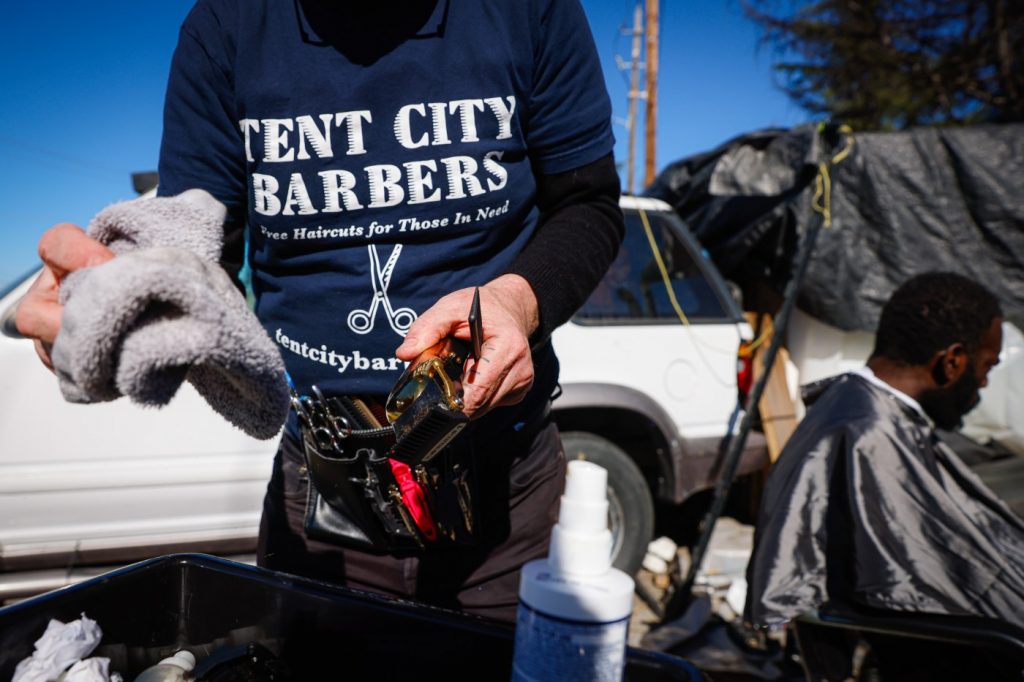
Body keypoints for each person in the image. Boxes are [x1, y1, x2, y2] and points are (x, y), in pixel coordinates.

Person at [14, 0, 624, 623]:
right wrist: (125, 303)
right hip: (322, 498)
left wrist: (517, 299)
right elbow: (193, 243)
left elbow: (590, 205)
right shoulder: (226, 27)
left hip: (506, 496)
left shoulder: (527, 10)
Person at [745, 271, 1024, 629]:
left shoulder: (852, 409)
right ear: (951, 362)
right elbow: (919, 578)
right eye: (986, 366)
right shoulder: (868, 434)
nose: (984, 383)